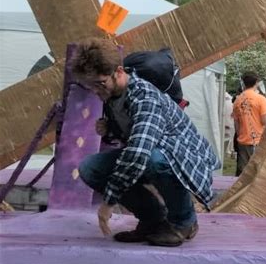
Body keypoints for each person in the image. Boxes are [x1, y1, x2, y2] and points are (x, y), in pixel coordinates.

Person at [71, 38, 218, 247]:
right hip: (151, 154)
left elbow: (138, 153)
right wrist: (110, 128)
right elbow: (130, 135)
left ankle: (184, 222)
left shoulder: (144, 96)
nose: (96, 91)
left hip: (186, 161)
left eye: (100, 83)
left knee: (153, 159)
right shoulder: (113, 94)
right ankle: (153, 220)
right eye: (90, 86)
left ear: (119, 71)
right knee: (90, 168)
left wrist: (109, 202)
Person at [232, 72, 266, 175]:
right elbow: (264, 121)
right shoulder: (261, 99)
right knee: (256, 172)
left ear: (244, 83)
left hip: (242, 140)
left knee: (243, 172)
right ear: (256, 83)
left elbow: (236, 123)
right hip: (257, 140)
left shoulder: (237, 100)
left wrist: (240, 136)